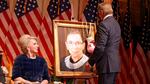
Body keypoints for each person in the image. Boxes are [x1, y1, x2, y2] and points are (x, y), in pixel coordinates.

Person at [88, 3, 121, 84]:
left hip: (106, 65)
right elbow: (109, 42)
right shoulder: (116, 24)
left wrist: (91, 61)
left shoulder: (103, 24)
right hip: (114, 64)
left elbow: (100, 47)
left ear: (102, 12)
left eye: (98, 12)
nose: (98, 15)